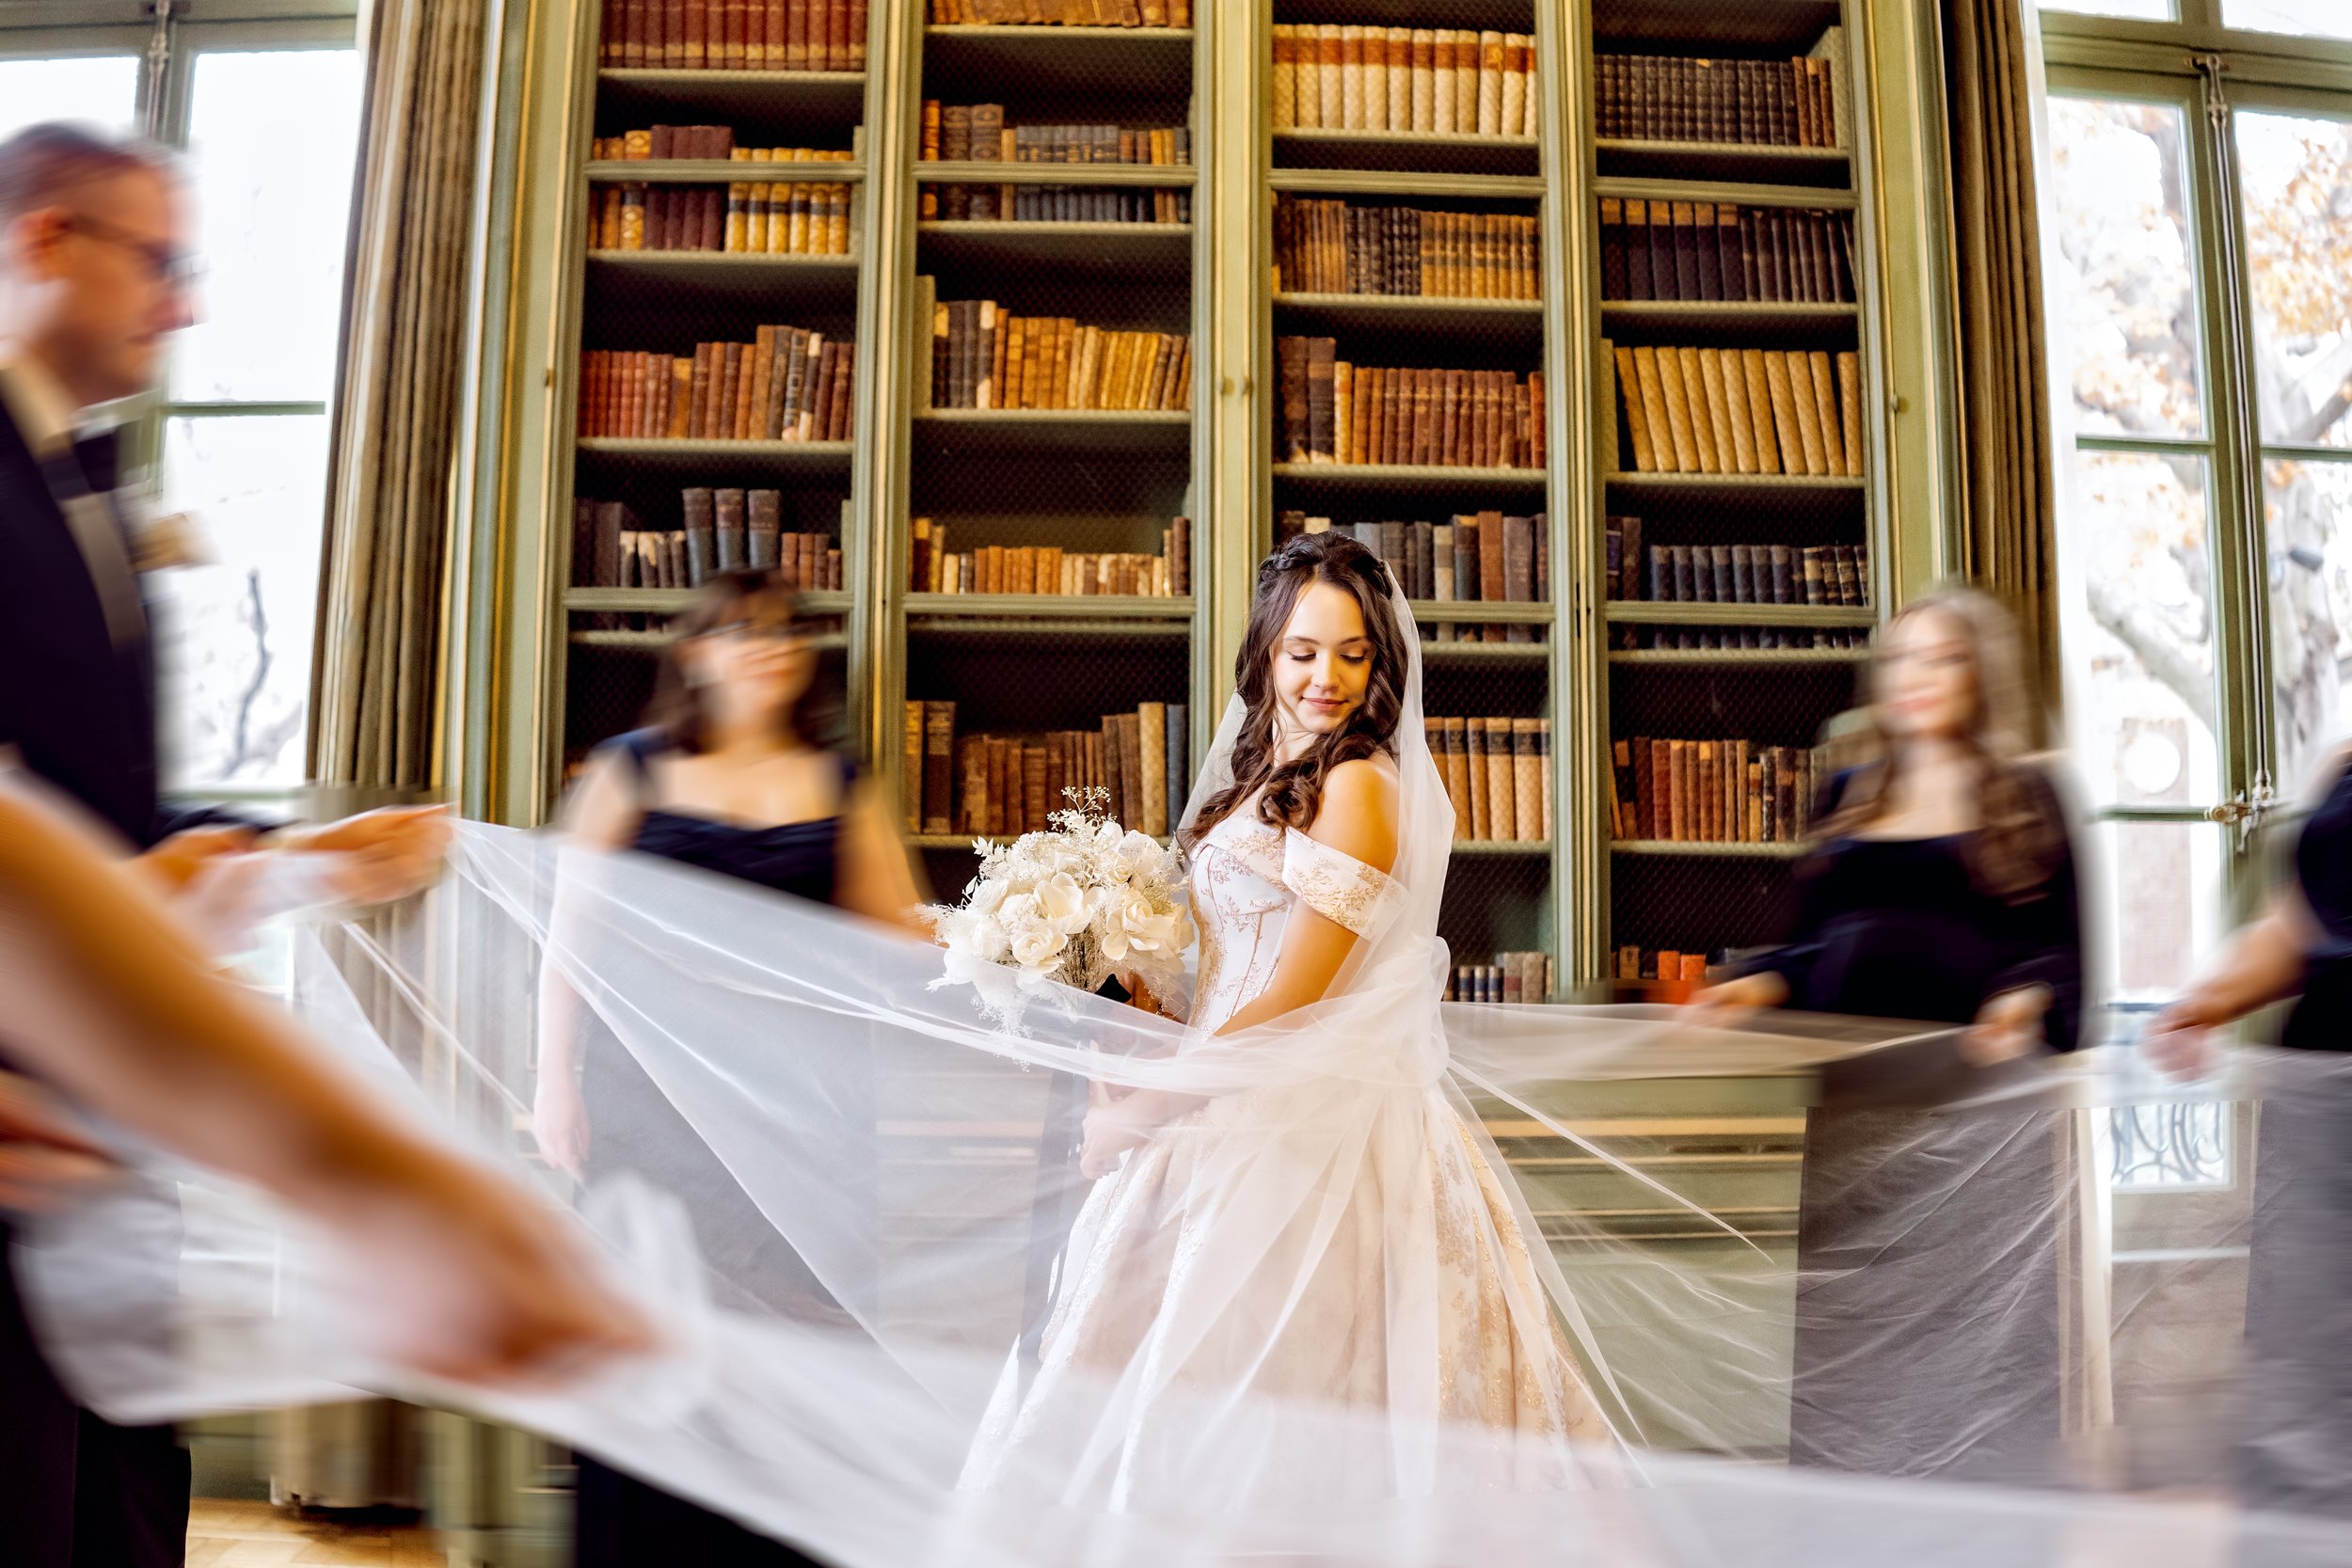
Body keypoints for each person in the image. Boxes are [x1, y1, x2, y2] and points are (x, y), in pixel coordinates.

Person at [0, 120, 451, 1566]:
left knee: (120, 1498)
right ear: (48, 240)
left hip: (102, 1111)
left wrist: (318, 854)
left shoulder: (96, 494)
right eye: (163, 262)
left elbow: (114, 825)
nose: (185, 304)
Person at [959, 530, 1613, 1503]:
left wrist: (1142, 1111)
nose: (1326, 677)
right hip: (1214, 1101)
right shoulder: (1261, 777)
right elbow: (1222, 967)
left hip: (1303, 1134)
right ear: (1265, 653)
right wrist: (1110, 985)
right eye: (1303, 651)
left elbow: (1292, 1001)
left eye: (1353, 654)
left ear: (1381, 662)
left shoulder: (1358, 786)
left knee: (1266, 1422)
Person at [0, 771, 652, 1566]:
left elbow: (80, 817)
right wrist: (376, 1181)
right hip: (35, 1163)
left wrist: (286, 858)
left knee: (119, 1500)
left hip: (82, 1172)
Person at [532, 569, 922, 1568]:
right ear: (694, 655)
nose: (767, 647)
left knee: (792, 1346)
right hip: (647, 1108)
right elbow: (567, 936)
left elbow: (905, 940)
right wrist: (554, 1081)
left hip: (809, 1111)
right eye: (739, 631)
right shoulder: (631, 769)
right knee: (651, 1335)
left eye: (784, 632)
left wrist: (1031, 932)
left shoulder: (842, 782)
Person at [1692, 585, 2087, 1481]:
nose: (1916, 678)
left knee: (1971, 1343)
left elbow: (2061, 950)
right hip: (1853, 1121)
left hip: (1974, 1129)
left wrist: (2022, 1003)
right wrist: (1751, 989)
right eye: (1903, 658)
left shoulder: (2032, 794)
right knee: (1850, 1332)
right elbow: (1809, 941)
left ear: (1981, 676)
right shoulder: (1847, 794)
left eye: (1942, 658)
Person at [2145, 745, 2352, 1527]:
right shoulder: (2348, 765)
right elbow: (2299, 921)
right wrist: (2208, 999)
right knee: (2305, 1362)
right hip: (2319, 1110)